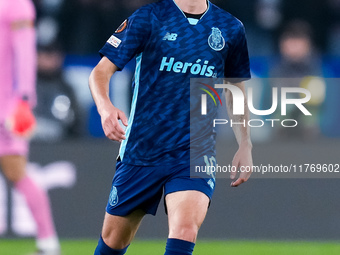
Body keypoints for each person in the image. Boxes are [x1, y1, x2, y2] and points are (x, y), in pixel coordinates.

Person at [89, 0, 253, 254]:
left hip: (194, 151)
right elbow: (100, 72)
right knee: (113, 241)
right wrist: (105, 108)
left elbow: (235, 92)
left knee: (185, 229)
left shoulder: (230, 28)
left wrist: (245, 143)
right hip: (143, 150)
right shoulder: (149, 17)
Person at [0, 0, 60, 254]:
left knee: (16, 171)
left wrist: (24, 99)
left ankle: (48, 242)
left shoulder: (17, 5)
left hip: (8, 105)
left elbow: (25, 53)